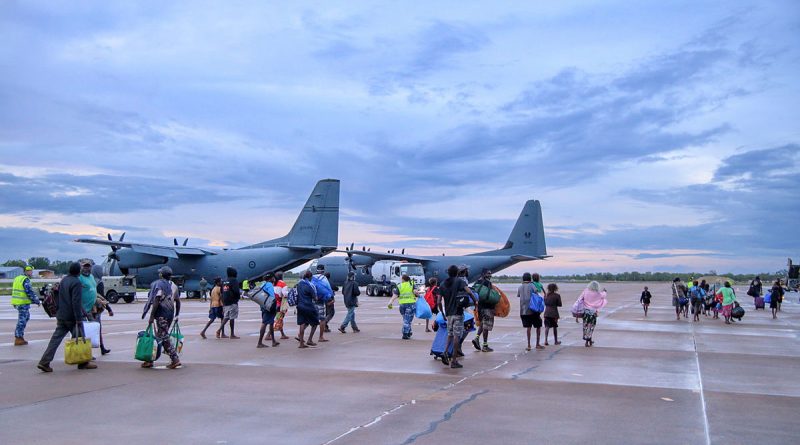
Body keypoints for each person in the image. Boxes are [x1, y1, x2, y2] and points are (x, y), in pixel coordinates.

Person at [38, 262, 96, 372]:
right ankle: (83, 362)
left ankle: (44, 361)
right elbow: (76, 301)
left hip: (61, 314)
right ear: (78, 271)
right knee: (80, 338)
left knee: (55, 339)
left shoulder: (64, 280)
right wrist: (78, 318)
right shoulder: (76, 283)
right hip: (72, 317)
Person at [142, 266, 181, 369]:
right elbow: (178, 301)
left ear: (161, 274)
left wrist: (151, 315)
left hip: (161, 314)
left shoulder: (159, 284)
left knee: (163, 337)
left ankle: (175, 358)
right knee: (160, 336)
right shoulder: (174, 286)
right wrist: (177, 315)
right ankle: (150, 359)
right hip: (170, 314)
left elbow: (157, 299)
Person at [438, 265, 470, 368]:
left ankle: (445, 352)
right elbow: (469, 291)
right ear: (457, 273)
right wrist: (475, 301)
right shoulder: (459, 281)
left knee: (450, 334)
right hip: (458, 312)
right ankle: (454, 360)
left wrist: (442, 313)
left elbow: (438, 301)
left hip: (448, 314)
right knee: (457, 336)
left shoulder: (443, 284)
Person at [11, 265, 41, 345]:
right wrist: (36, 300)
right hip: (22, 303)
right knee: (22, 320)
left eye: (31, 271)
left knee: (26, 317)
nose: (31, 272)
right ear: (26, 271)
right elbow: (29, 292)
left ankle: (20, 336)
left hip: (17, 301)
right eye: (30, 271)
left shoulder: (18, 278)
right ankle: (18, 338)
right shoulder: (25, 280)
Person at [471, 270, 496, 352]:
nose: (490, 275)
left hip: (480, 308)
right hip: (487, 308)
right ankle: (485, 346)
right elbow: (490, 296)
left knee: (482, 323)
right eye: (488, 273)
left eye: (490, 273)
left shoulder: (477, 283)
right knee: (486, 326)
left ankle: (477, 338)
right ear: (483, 274)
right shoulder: (488, 283)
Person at [388, 274, 419, 340]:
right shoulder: (411, 284)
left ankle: (409, 332)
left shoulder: (399, 285)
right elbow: (415, 292)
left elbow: (395, 295)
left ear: (403, 279)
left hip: (402, 305)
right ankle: (405, 333)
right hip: (410, 304)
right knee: (408, 320)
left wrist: (390, 301)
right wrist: (418, 294)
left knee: (406, 319)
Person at [90, 264, 113, 355]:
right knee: (97, 328)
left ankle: (101, 348)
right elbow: (102, 298)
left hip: (88, 308)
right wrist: (109, 309)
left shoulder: (90, 280)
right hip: (96, 309)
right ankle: (101, 347)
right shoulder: (99, 283)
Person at [516, 273, 541, 351]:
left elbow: (518, 295)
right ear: (530, 278)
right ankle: (537, 344)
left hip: (523, 311)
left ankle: (529, 345)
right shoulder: (532, 285)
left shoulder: (520, 287)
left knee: (528, 328)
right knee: (538, 326)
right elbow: (537, 293)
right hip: (532, 310)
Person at [579, 281, 607, 347]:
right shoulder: (598, 293)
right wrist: (605, 291)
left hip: (586, 312)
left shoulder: (586, 291)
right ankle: (587, 342)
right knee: (591, 327)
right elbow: (604, 295)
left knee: (586, 327)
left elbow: (580, 298)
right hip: (593, 313)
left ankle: (589, 341)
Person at [296, 271, 319, 348]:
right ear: (310, 277)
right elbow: (315, 298)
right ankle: (310, 339)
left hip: (300, 306)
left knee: (302, 323)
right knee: (315, 323)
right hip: (309, 306)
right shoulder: (310, 285)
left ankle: (301, 343)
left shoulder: (299, 284)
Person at [257, 275, 279, 348]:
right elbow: (272, 296)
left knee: (271, 323)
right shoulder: (269, 285)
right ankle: (259, 343)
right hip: (269, 306)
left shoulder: (263, 284)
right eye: (273, 277)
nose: (274, 278)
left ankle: (273, 341)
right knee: (265, 323)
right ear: (271, 278)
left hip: (263, 305)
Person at [312, 267, 333, 343]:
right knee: (322, 319)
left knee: (309, 319)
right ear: (323, 271)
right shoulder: (324, 278)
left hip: (312, 302)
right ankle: (321, 337)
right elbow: (328, 290)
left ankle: (299, 334)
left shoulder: (313, 278)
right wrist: (330, 299)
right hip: (320, 302)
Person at [219, 267, 241, 339]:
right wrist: (237, 298)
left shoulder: (224, 281)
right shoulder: (234, 280)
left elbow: (221, 292)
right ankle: (232, 334)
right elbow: (236, 291)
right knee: (232, 318)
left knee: (226, 316)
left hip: (225, 301)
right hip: (232, 301)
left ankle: (220, 330)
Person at [272, 271, 290, 340]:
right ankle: (269, 334)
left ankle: (282, 334)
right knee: (279, 319)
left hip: (273, 303)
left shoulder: (273, 283)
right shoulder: (282, 284)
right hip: (280, 304)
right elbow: (285, 294)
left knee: (279, 319)